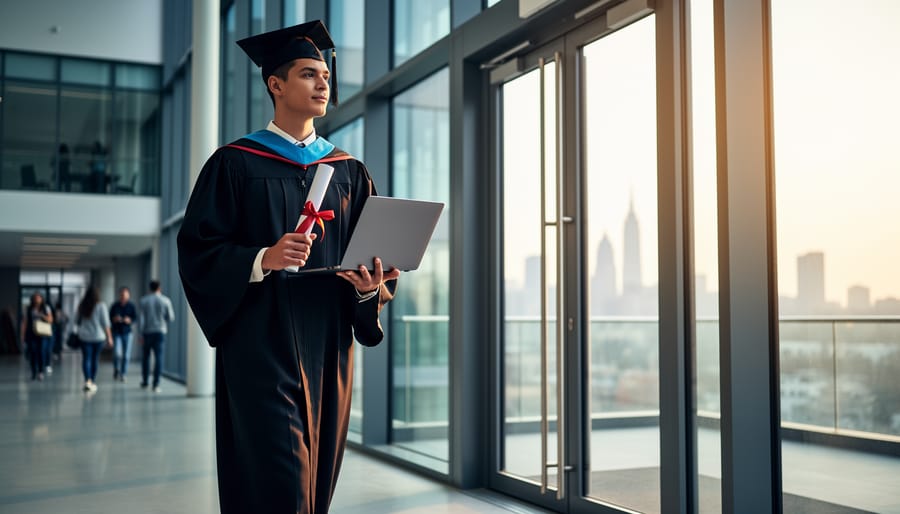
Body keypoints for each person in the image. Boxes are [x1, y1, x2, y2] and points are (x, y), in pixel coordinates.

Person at [177, 20, 399, 513]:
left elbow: (376, 259)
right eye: (307, 74)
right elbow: (198, 250)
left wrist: (369, 287)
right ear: (275, 85)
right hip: (261, 345)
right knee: (282, 486)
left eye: (324, 75)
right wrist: (262, 258)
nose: (323, 84)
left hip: (328, 347)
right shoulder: (234, 163)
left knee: (316, 485)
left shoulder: (348, 171)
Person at [137, 280, 174, 393]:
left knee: (146, 357)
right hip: (160, 332)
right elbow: (171, 317)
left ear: (150, 288)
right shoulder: (165, 300)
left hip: (147, 332)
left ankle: (145, 381)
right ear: (159, 288)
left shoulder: (144, 301)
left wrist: (140, 333)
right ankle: (156, 384)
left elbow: (142, 319)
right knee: (158, 358)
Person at [76, 287, 112, 392]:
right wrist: (109, 337)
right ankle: (93, 381)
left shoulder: (82, 306)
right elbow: (106, 323)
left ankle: (87, 380)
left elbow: (76, 321)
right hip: (98, 337)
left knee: (86, 358)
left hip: (84, 336)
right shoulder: (101, 306)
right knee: (94, 359)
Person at [20, 292, 53, 381]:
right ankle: (34, 372)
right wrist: (22, 335)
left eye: (39, 298)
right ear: (32, 300)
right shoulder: (28, 309)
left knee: (41, 352)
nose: (37, 300)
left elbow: (50, 320)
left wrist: (42, 315)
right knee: (33, 352)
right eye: (35, 298)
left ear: (42, 299)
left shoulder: (46, 308)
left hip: (43, 334)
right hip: (32, 334)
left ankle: (40, 371)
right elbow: (25, 322)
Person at [109, 286, 137, 382]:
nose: (123, 296)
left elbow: (135, 318)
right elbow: (109, 318)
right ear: (120, 295)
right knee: (117, 353)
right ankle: (116, 369)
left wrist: (129, 320)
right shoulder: (114, 306)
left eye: (125, 294)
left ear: (128, 295)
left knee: (126, 355)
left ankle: (123, 373)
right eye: (122, 294)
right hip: (117, 332)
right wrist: (114, 319)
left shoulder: (131, 306)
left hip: (127, 333)